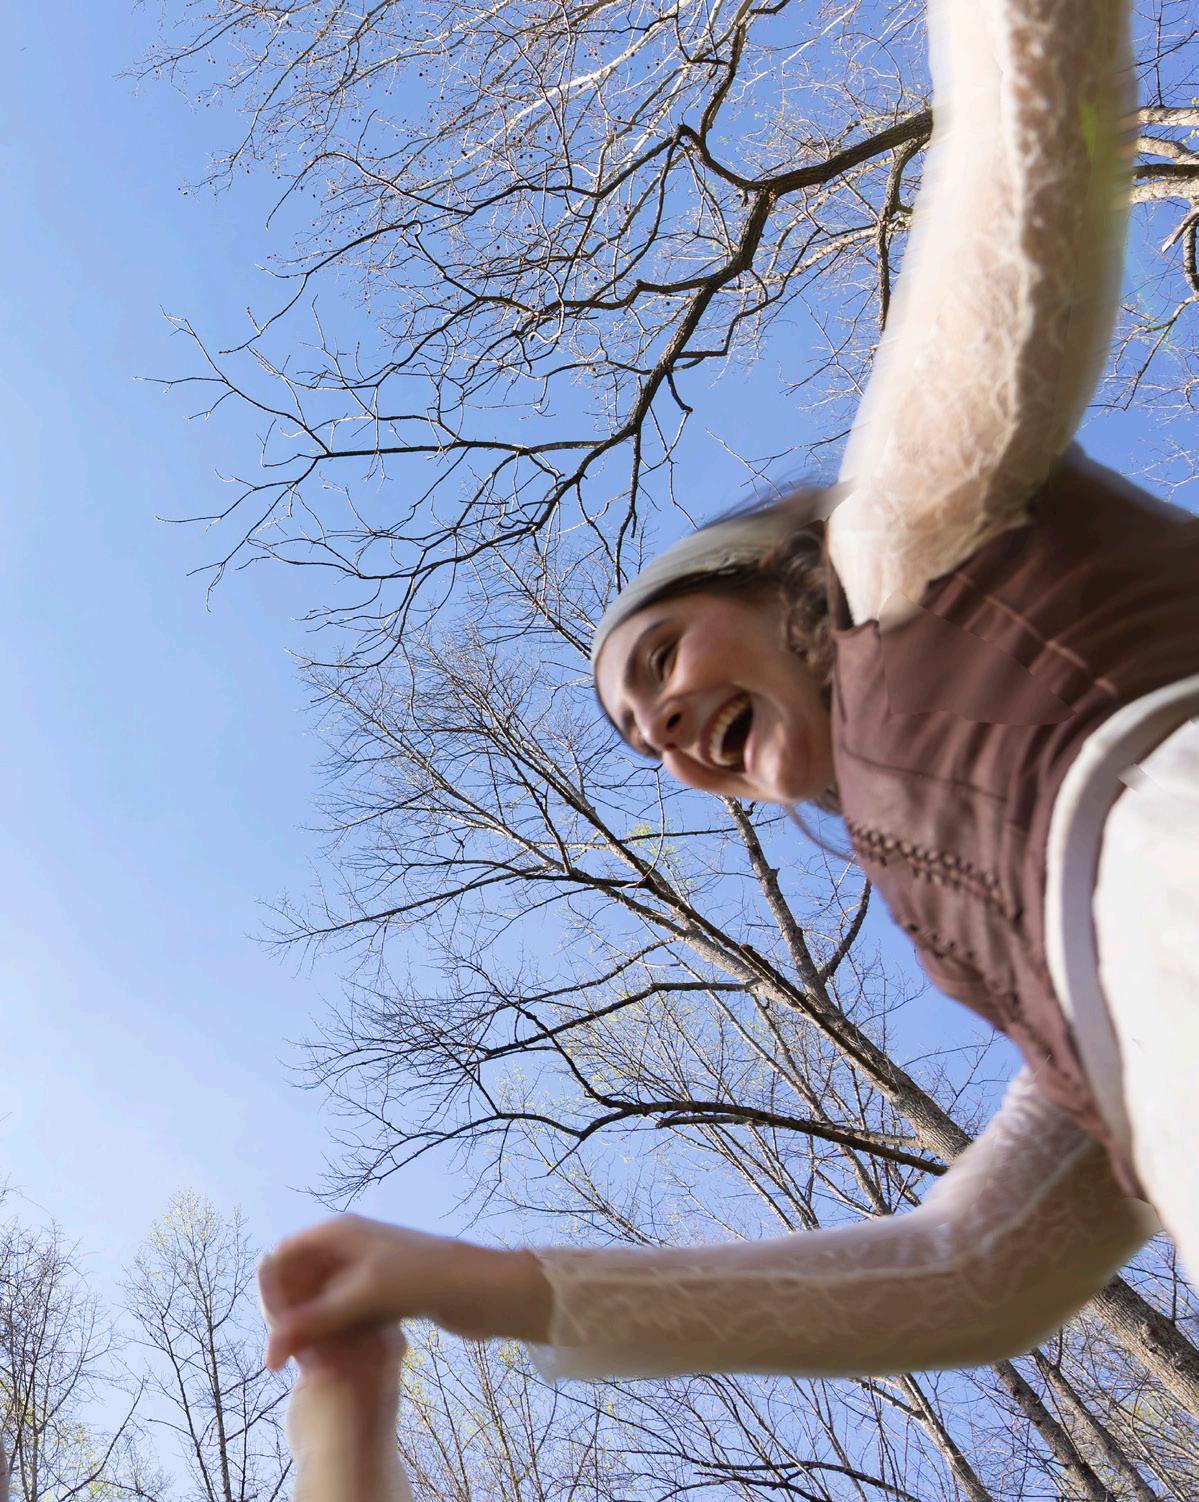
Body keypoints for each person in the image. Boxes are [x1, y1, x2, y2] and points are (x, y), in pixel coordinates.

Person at [258, 0, 1199, 1487]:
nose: (673, 734)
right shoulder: (1036, 966)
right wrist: (486, 1284)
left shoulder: (904, 529)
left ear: (766, 571)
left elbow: (1022, 155)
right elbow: (972, 1267)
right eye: (649, 745)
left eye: (660, 663)